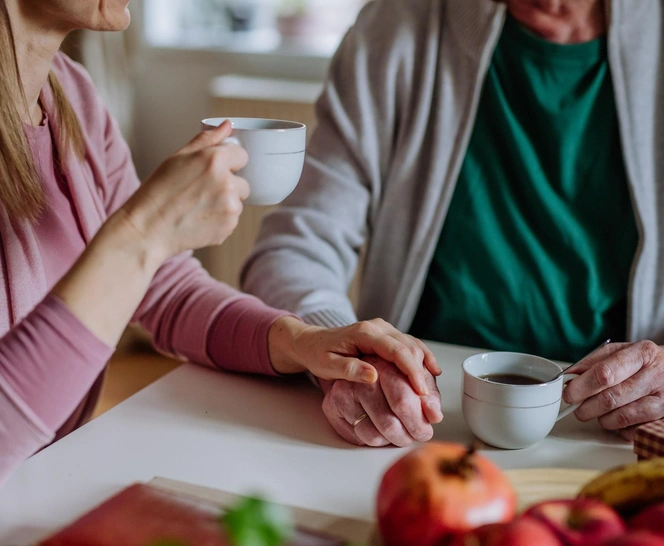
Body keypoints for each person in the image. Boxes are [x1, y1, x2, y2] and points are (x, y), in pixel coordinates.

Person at [241, 0, 664, 446]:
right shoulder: (394, 26)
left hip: (622, 438)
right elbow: (293, 248)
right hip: (417, 425)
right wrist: (343, 353)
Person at [0, 0, 440, 485]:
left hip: (41, 485)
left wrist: (304, 342)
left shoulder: (71, 97)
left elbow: (167, 291)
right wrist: (143, 232)